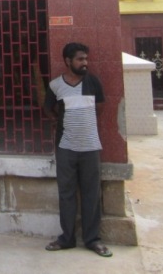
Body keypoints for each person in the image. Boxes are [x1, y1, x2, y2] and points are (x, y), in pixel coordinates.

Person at [43, 42, 112, 258]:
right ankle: (67, 238)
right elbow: (47, 108)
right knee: (66, 193)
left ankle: (93, 239)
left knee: (92, 194)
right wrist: (58, 120)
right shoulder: (56, 85)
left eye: (86, 59)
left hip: (90, 147)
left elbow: (100, 108)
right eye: (80, 59)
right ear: (68, 61)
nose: (85, 63)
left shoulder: (93, 82)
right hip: (65, 147)